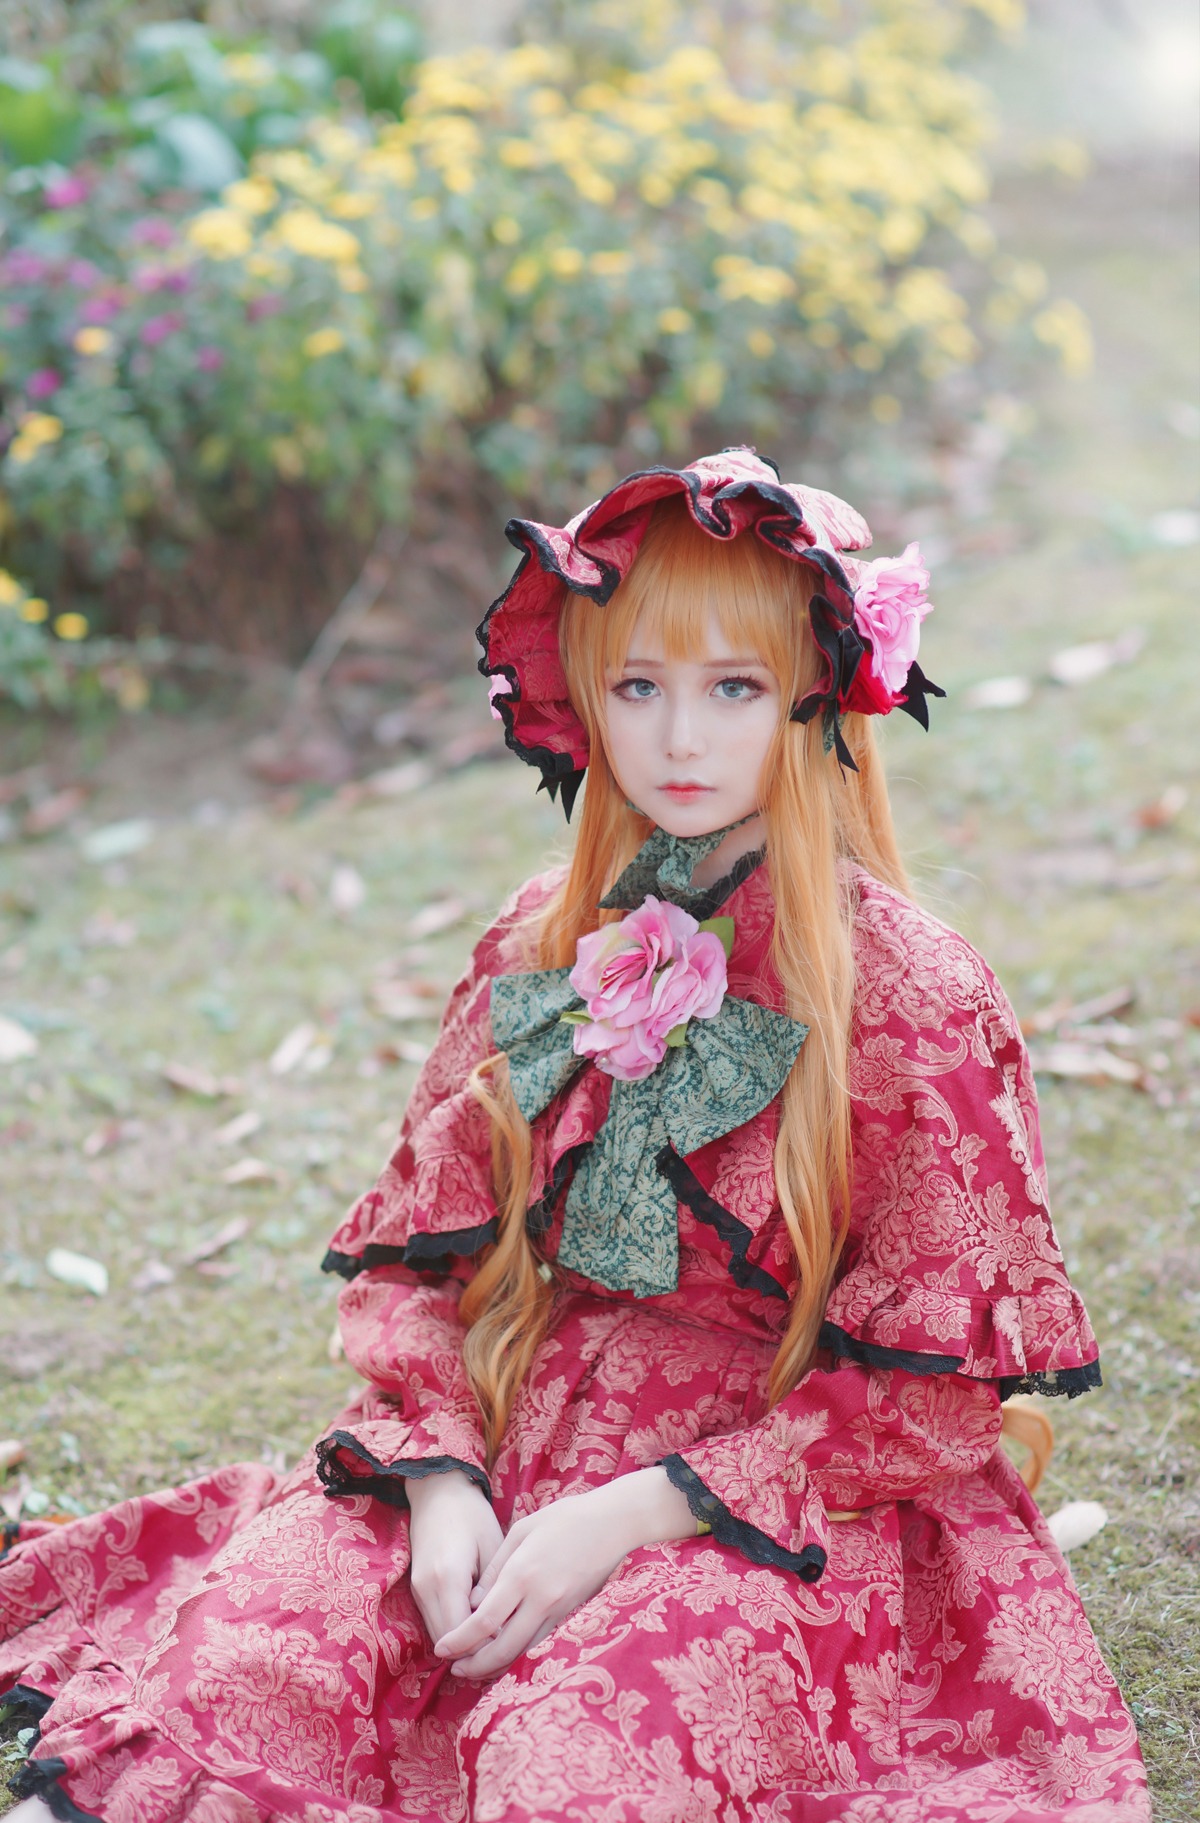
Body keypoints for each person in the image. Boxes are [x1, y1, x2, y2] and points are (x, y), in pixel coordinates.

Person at [2, 448, 1148, 1820]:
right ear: (583, 699)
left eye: (732, 688)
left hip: (785, 1501)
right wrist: (438, 1483)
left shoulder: (916, 995)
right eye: (638, 687)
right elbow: (419, 1267)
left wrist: (633, 1513)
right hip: (512, 1431)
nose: (679, 741)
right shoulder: (541, 940)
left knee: (580, 1759)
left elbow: (933, 1395)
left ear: (819, 695)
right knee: (254, 1666)